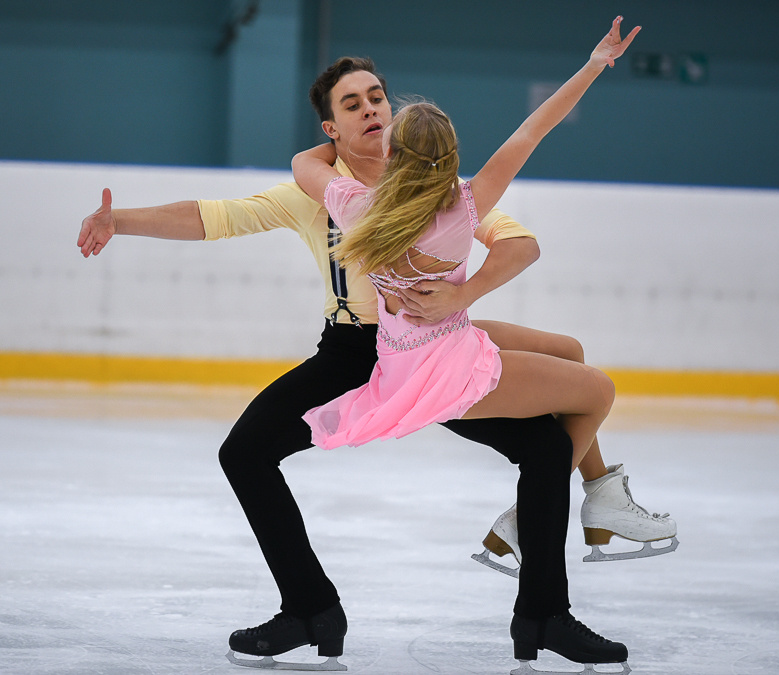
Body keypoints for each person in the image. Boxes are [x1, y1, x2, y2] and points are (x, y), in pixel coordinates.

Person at [75, 42, 664, 673]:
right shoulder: (327, 194)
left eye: (377, 97)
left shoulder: (438, 192)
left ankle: (546, 614)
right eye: (351, 104)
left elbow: (517, 242)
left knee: (548, 441)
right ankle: (310, 608)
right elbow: (216, 217)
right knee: (244, 451)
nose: (370, 109)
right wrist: (123, 221)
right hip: (356, 354)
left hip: (437, 343)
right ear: (333, 128)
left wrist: (463, 292)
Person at [292, 16, 651, 670]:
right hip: (453, 368)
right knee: (599, 389)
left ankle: (548, 544)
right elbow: (533, 128)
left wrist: (334, 141)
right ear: (450, 156)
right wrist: (596, 62)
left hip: (405, 361)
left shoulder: (353, 203)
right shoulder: (464, 203)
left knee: (567, 350)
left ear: (393, 152)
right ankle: (533, 512)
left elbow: (300, 167)